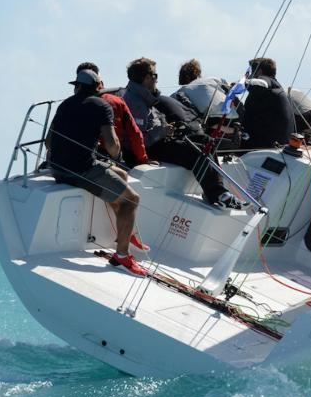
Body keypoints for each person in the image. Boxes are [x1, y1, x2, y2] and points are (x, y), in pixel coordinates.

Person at [45, 69, 148, 276]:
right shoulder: (102, 105)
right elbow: (112, 146)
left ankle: (124, 232)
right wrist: (116, 151)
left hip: (56, 168)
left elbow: (49, 142)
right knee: (132, 200)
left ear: (78, 86)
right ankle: (121, 257)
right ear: (98, 88)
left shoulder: (65, 104)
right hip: (81, 170)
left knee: (120, 175)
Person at [119, 57, 236, 207]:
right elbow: (138, 139)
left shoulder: (143, 97)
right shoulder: (134, 102)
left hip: (157, 142)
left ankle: (218, 191)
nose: (156, 80)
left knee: (205, 141)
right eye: (155, 76)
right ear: (147, 78)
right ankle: (217, 195)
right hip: (148, 149)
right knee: (195, 152)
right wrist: (162, 131)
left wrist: (165, 129)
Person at [74, 62, 151, 168]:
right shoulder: (116, 101)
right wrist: (143, 160)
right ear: (100, 81)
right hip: (108, 158)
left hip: (73, 160)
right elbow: (135, 133)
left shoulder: (69, 105)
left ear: (78, 84)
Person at [237, 57, 294, 150]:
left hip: (263, 144)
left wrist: (239, 84)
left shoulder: (266, 80)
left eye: (251, 71)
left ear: (259, 71)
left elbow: (262, 83)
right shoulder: (276, 87)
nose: (249, 74)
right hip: (276, 144)